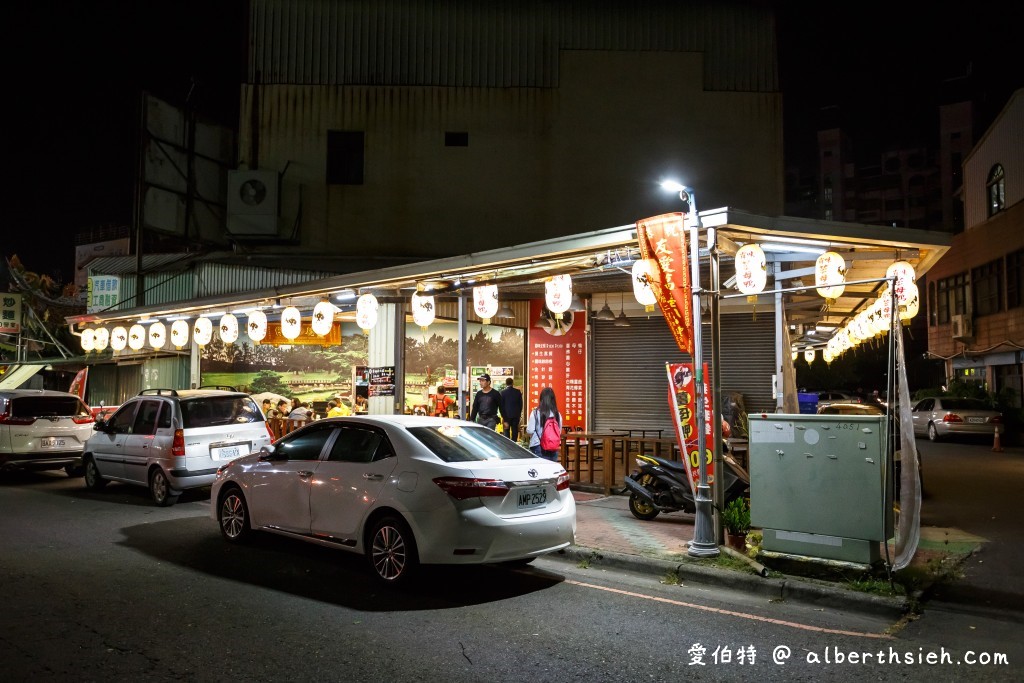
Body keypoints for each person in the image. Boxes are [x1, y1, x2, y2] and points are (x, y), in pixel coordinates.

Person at [526, 386, 562, 461]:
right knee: (551, 470)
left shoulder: (535, 412)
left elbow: (530, 430)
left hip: (538, 446)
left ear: (541, 399)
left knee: (539, 471)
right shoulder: (557, 414)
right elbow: (559, 431)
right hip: (553, 447)